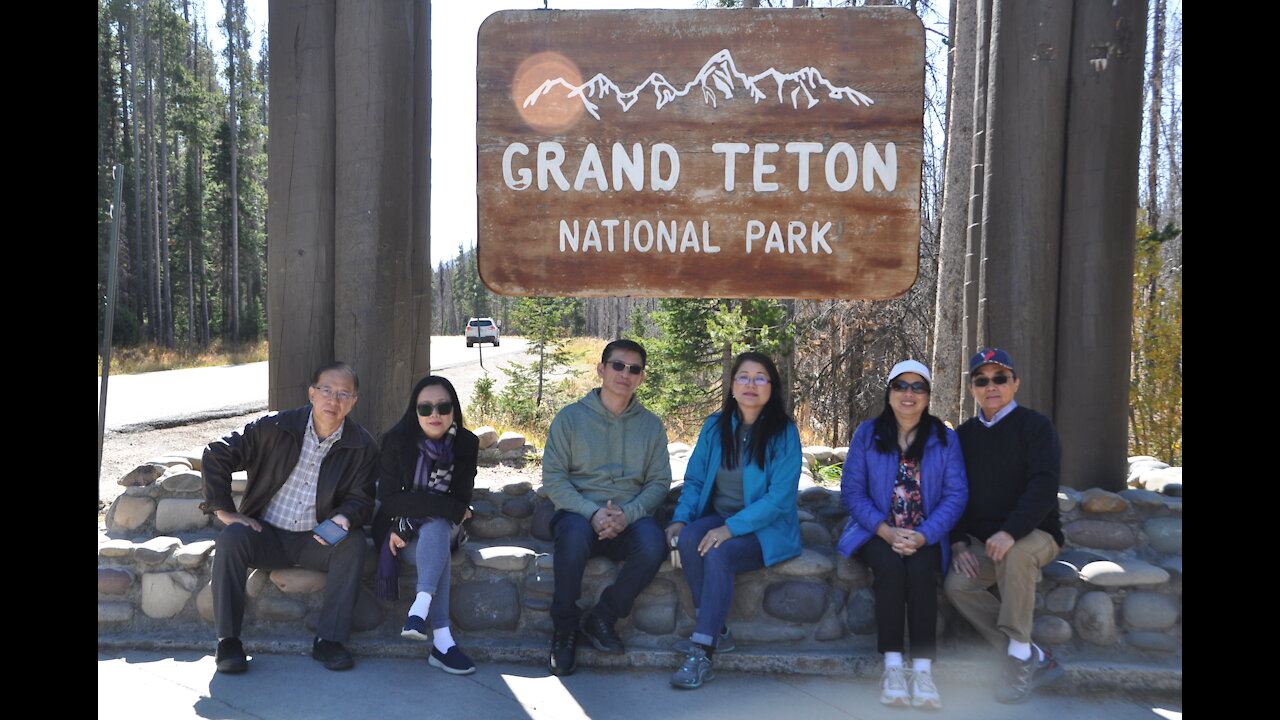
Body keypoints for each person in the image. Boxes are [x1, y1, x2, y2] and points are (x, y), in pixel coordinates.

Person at [200, 362, 378, 673]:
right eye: (326, 390)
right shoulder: (274, 427)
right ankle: (228, 641)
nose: (333, 400)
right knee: (231, 538)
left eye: (343, 394)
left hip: (317, 538)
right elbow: (217, 453)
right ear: (312, 393)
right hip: (265, 534)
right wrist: (225, 511)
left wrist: (345, 517)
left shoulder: (362, 445)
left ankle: (330, 641)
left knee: (354, 543)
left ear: (353, 402)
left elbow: (361, 498)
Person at [665, 352, 803, 689]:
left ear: (772, 387)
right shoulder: (715, 427)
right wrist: (682, 518)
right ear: (732, 385)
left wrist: (730, 530)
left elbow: (779, 498)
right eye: (743, 376)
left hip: (765, 529)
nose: (751, 384)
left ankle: (702, 650)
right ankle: (717, 631)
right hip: (719, 517)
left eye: (760, 378)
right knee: (687, 539)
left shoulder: (784, 433)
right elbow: (696, 480)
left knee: (718, 552)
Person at [837, 360, 968, 709]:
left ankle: (923, 671)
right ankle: (893, 666)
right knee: (892, 571)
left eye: (917, 387)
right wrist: (884, 530)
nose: (908, 394)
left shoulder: (944, 438)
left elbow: (956, 495)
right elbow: (851, 491)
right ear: (889, 392)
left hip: (926, 533)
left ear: (927, 396)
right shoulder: (867, 433)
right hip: (875, 531)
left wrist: (924, 535)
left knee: (922, 572)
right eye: (901, 386)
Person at [542, 339, 672, 677]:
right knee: (571, 539)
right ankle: (565, 631)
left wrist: (628, 513)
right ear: (601, 369)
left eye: (634, 369)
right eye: (617, 365)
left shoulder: (652, 426)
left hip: (630, 515)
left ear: (642, 377)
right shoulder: (570, 419)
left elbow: (659, 482)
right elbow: (554, 479)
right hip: (579, 514)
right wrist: (591, 512)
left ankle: (603, 616)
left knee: (654, 544)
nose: (624, 374)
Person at [944, 348, 1065, 704]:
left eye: (1000, 378)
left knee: (1015, 556)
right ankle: (1027, 653)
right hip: (983, 541)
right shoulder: (963, 436)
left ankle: (1015, 661)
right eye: (982, 380)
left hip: (1036, 533)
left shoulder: (1036, 427)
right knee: (957, 585)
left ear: (1015, 383)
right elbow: (954, 492)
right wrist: (958, 544)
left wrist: (1010, 531)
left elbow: (1044, 487)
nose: (991, 386)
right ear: (972, 388)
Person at [372, 376, 478, 675]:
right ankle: (443, 642)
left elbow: (460, 497)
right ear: (414, 411)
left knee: (437, 527)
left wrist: (444, 509)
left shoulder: (466, 444)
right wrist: (449, 509)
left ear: (454, 410)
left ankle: (420, 609)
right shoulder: (396, 442)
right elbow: (389, 501)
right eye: (426, 408)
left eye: (443, 407)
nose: (435, 414)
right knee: (439, 528)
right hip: (398, 534)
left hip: (440, 529)